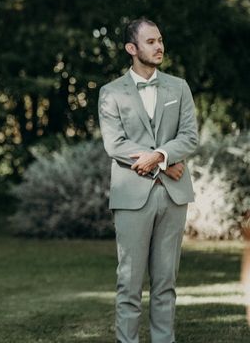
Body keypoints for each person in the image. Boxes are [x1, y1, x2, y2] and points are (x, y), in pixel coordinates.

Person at [98, 17, 199, 343]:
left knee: (166, 282)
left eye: (160, 40)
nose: (160, 47)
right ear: (132, 48)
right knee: (128, 283)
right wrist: (163, 163)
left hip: (174, 196)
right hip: (132, 196)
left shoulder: (178, 87)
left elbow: (189, 137)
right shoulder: (110, 93)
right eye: (151, 41)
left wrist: (159, 157)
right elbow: (115, 144)